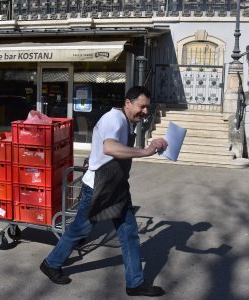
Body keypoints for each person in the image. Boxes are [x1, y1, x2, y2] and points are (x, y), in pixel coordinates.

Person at [40, 86, 168, 297]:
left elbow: (118, 149)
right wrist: (145, 151)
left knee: (129, 234)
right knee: (80, 230)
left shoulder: (126, 120)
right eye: (141, 106)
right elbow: (110, 148)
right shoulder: (114, 119)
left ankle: (135, 284)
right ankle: (51, 263)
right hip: (99, 188)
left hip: (116, 186)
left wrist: (152, 145)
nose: (145, 111)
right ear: (128, 103)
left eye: (147, 107)